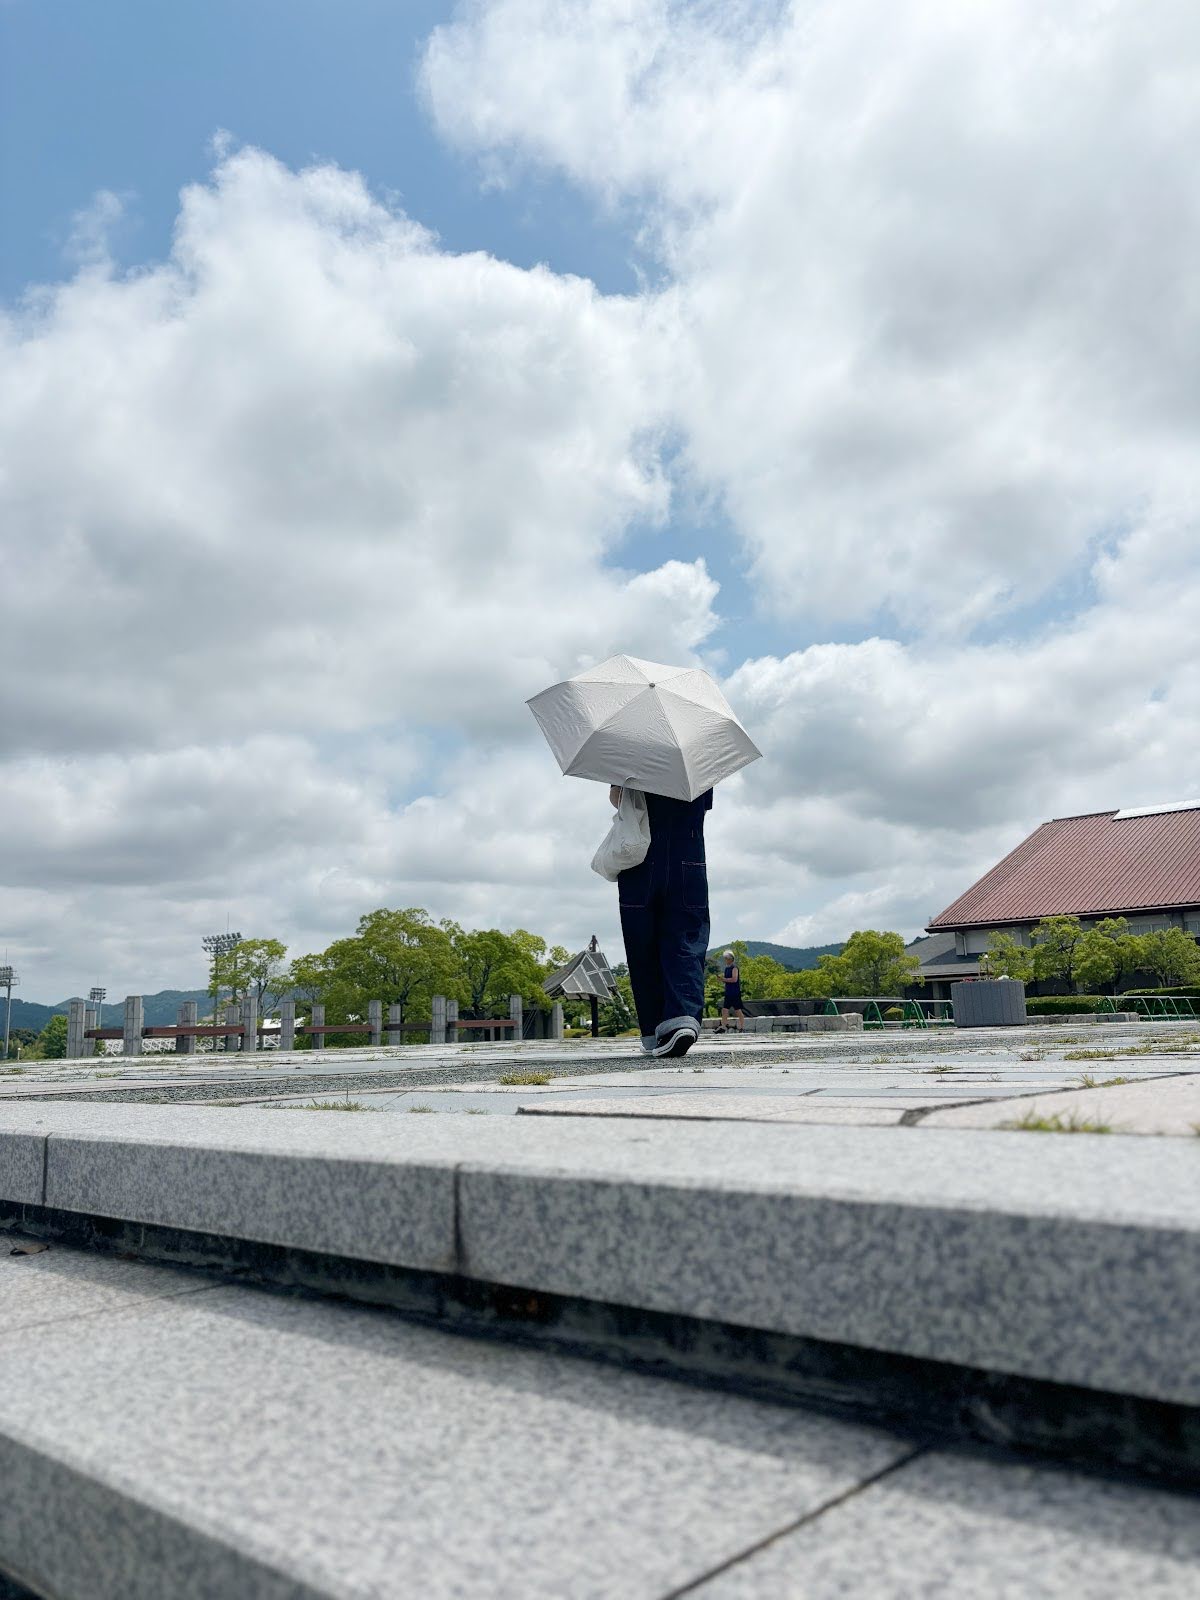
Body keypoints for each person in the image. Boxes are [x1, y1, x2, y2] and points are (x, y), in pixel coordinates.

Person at [610, 783, 712, 1057]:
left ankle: (654, 1029)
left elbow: (615, 798)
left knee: (642, 941)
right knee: (686, 937)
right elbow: (704, 806)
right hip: (687, 857)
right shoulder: (697, 756)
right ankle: (682, 1018)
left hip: (639, 857)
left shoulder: (630, 751)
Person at [720, 948, 745, 1032]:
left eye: (726, 958)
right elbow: (727, 979)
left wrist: (724, 979)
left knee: (738, 1010)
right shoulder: (727, 969)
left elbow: (734, 979)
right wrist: (723, 980)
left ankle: (741, 1027)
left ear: (731, 959)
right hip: (728, 992)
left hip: (735, 993)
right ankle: (723, 1026)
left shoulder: (735, 968)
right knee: (724, 1009)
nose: (725, 960)